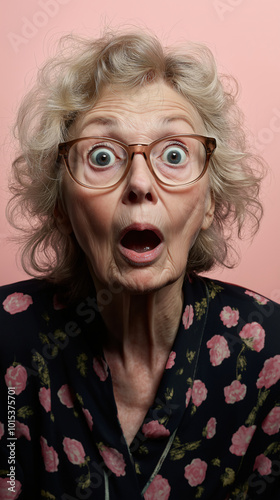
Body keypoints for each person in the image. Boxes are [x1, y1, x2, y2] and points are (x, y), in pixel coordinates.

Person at [0, 30, 279, 500]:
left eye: (173, 154)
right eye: (102, 156)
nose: (140, 183)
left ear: (210, 200)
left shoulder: (268, 354)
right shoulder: (7, 337)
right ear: (61, 207)